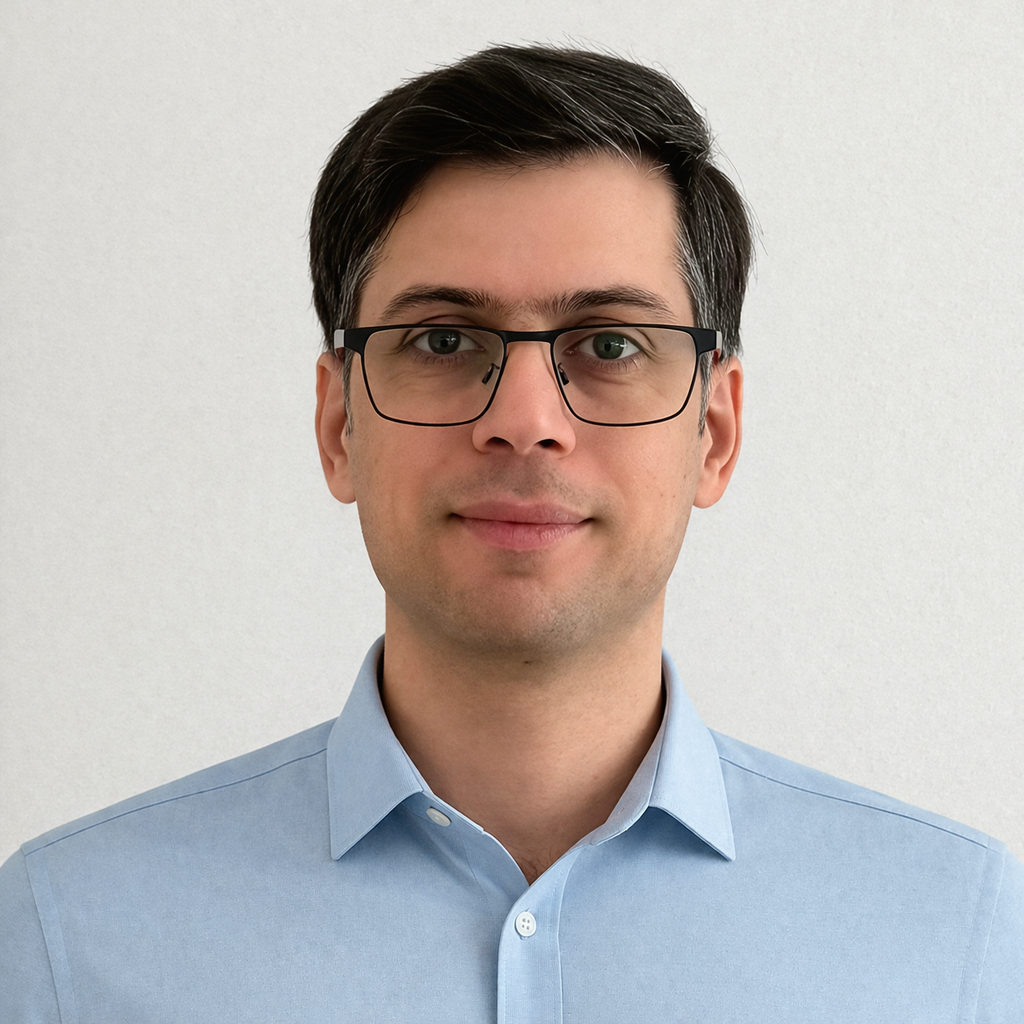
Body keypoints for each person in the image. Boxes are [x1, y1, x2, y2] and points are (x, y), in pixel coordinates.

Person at [1, 43, 1021, 1023]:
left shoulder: (960, 938)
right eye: (443, 340)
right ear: (336, 425)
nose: (525, 416)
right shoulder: (66, 937)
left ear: (714, 431)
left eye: (611, 343)